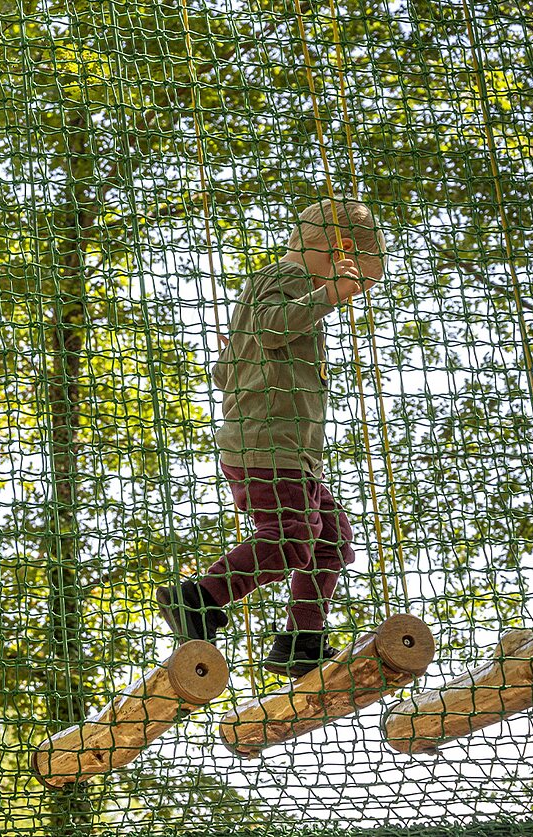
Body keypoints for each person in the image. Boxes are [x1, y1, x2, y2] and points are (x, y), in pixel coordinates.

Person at [157, 197, 387, 678]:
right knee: (290, 538)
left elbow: (225, 373)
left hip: (285, 450)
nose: (351, 293)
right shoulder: (294, 280)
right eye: (358, 280)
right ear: (338, 253)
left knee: (332, 539)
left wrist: (235, 355)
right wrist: (330, 295)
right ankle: (200, 597)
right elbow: (270, 326)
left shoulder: (275, 288)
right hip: (269, 442)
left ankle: (301, 639)